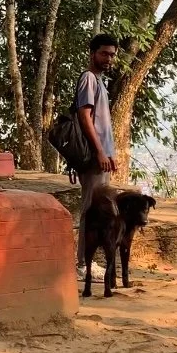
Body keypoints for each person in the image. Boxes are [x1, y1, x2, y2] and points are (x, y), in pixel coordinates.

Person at [75, 33, 118, 280]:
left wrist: (110, 153)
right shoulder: (89, 79)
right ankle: (82, 264)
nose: (108, 58)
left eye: (112, 55)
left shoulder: (100, 81)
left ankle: (89, 262)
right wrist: (100, 151)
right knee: (90, 209)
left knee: (99, 210)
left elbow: (102, 124)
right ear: (92, 53)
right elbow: (85, 116)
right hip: (93, 156)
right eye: (104, 53)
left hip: (102, 156)